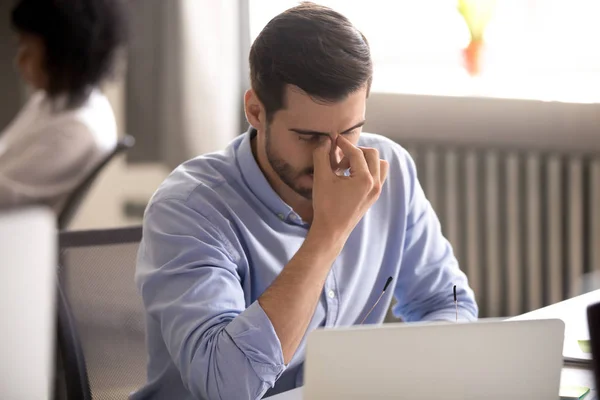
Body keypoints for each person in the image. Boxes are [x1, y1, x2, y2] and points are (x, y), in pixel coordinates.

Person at [134, 3, 478, 399]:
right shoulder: (189, 208)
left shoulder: (391, 170)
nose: (333, 157)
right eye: (309, 137)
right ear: (255, 111)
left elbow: (446, 305)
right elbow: (225, 388)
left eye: (351, 131)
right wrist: (329, 233)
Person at [0, 0, 127, 213]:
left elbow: (6, 195)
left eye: (28, 48)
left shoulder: (77, 130)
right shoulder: (52, 100)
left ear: (62, 55)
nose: (19, 61)